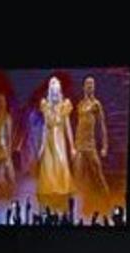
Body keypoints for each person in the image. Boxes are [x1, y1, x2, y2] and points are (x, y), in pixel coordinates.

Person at [72, 75, 111, 213]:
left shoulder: (96, 104)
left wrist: (105, 146)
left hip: (90, 145)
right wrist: (74, 146)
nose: (90, 86)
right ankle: (77, 207)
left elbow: (102, 126)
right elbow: (78, 126)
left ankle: (108, 204)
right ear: (83, 87)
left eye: (92, 84)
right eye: (88, 84)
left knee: (98, 174)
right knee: (77, 175)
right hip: (80, 146)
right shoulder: (80, 105)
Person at [36, 77, 75, 213]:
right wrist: (41, 146)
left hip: (60, 144)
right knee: (48, 172)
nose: (55, 94)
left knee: (61, 169)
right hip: (49, 144)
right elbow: (45, 128)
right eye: (52, 92)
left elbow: (68, 127)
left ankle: (62, 207)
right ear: (49, 92)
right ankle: (49, 208)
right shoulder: (45, 106)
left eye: (57, 91)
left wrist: (72, 147)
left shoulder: (64, 105)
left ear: (60, 92)